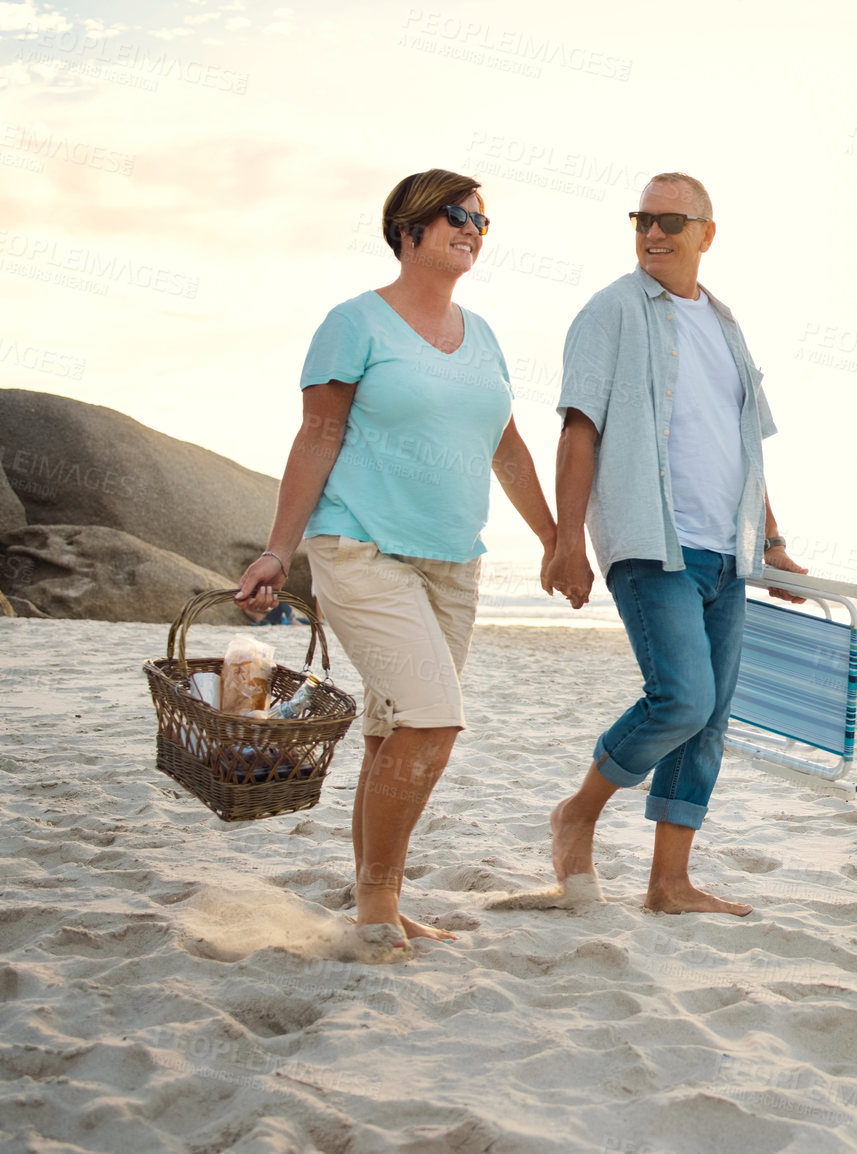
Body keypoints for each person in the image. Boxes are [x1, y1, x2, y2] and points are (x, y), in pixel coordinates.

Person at [235, 168, 557, 958]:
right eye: (455, 215)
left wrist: (555, 539)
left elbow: (506, 449)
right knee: (434, 722)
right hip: (361, 547)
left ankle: (377, 902)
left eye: (482, 220)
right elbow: (318, 434)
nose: (472, 229)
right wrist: (280, 548)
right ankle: (376, 910)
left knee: (393, 734)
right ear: (406, 227)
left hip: (454, 563)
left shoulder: (480, 335)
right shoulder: (355, 323)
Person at [544, 172, 805, 916]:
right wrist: (567, 542)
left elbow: (745, 447)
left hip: (727, 554)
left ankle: (668, 883)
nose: (653, 234)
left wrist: (774, 543)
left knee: (710, 719)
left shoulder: (726, 326)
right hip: (652, 543)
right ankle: (578, 813)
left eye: (670, 221)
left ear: (705, 234)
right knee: (681, 700)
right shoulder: (610, 313)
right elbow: (577, 429)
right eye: (641, 220)